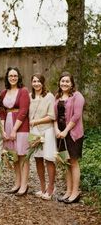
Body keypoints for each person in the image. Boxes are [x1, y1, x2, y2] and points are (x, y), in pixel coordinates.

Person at [54, 71, 85, 204]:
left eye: (67, 81)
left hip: (73, 134)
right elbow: (54, 116)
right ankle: (68, 191)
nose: (64, 83)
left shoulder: (77, 96)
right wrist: (56, 130)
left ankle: (75, 192)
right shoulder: (57, 96)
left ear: (72, 83)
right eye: (62, 81)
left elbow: (76, 116)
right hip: (59, 134)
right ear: (59, 82)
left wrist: (66, 131)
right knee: (65, 163)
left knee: (73, 162)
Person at [0, 67, 30, 196]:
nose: (13, 78)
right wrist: (3, 130)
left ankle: (24, 185)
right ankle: (17, 183)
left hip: (20, 126)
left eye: (15, 76)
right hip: (7, 124)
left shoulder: (23, 91)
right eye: (10, 76)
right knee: (14, 156)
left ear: (18, 77)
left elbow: (23, 111)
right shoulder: (3, 93)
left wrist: (14, 130)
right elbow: (1, 112)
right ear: (7, 77)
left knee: (23, 156)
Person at [29, 73, 56, 200]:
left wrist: (36, 121)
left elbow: (51, 116)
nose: (36, 83)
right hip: (34, 132)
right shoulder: (30, 97)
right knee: (38, 159)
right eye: (34, 81)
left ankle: (51, 188)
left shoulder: (49, 96)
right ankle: (42, 187)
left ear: (43, 83)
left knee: (49, 158)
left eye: (39, 81)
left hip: (47, 131)